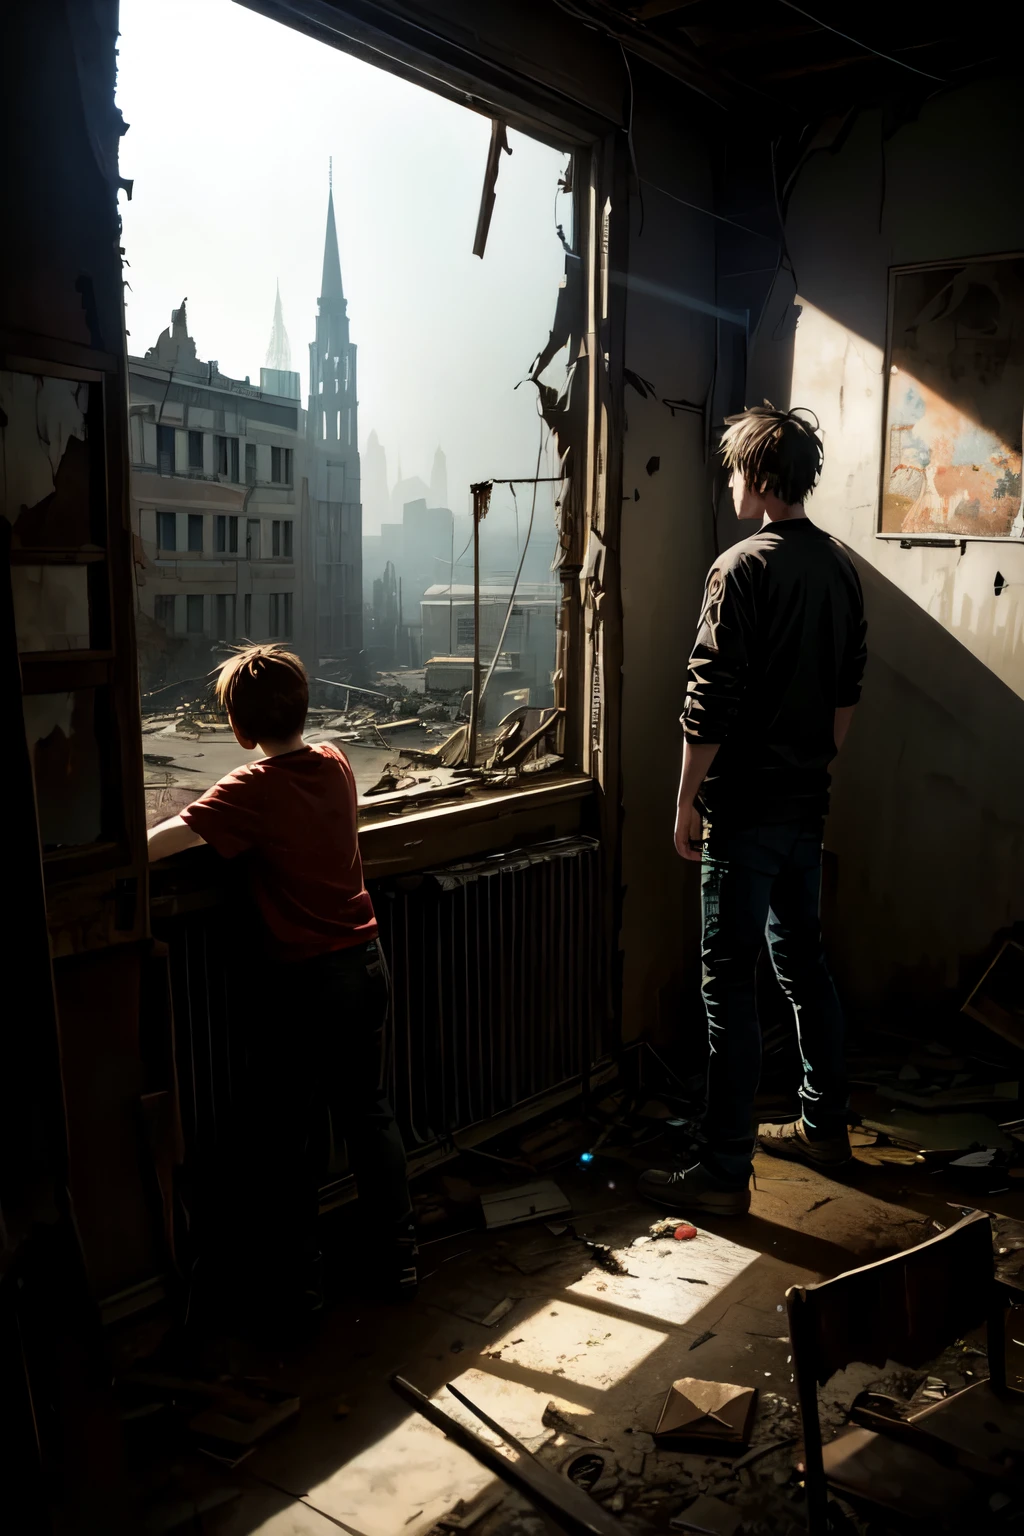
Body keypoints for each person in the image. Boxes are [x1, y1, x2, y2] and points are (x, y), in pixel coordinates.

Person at [638, 403, 867, 1216]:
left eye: (736, 470)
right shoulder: (841, 567)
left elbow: (711, 704)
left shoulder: (740, 568)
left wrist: (686, 798)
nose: (729, 481)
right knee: (804, 968)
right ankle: (825, 1128)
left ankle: (725, 1169)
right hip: (806, 806)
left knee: (728, 984)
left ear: (762, 476)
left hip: (745, 813)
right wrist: (808, 767)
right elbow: (845, 698)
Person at [147, 645, 415, 1316]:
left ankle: (301, 1287)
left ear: (239, 730)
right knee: (369, 1115)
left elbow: (163, 842)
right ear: (304, 707)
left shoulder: (249, 791)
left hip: (303, 981)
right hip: (367, 962)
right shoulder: (335, 762)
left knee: (288, 1135)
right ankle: (399, 1261)